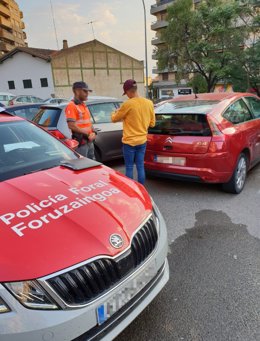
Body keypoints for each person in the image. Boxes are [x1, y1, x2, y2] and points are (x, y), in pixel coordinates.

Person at [111, 79, 155, 185]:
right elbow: (152, 124)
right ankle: (142, 189)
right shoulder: (149, 103)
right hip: (142, 141)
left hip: (129, 142)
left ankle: (131, 190)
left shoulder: (127, 104)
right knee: (140, 166)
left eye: (126, 93)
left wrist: (115, 112)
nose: (127, 96)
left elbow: (114, 119)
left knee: (129, 167)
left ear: (129, 91)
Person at [65, 81, 96, 159]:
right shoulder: (71, 106)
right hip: (81, 143)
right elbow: (71, 125)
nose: (87, 93)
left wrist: (93, 132)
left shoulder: (83, 105)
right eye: (85, 91)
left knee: (92, 165)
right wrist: (88, 134)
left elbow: (88, 123)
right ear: (77, 91)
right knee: (84, 165)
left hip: (89, 142)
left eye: (87, 91)